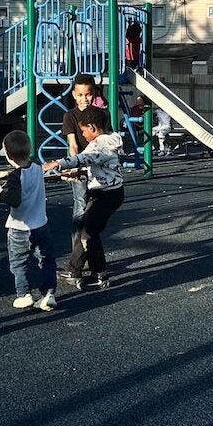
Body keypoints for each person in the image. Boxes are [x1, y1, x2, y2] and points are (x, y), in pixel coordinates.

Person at [44, 106, 125, 290]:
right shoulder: (108, 140)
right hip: (111, 193)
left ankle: (91, 273)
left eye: (83, 131)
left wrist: (57, 163)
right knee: (88, 231)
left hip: (105, 195)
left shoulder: (100, 144)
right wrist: (76, 173)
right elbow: (95, 165)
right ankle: (86, 272)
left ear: (92, 127)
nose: (82, 134)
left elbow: (83, 158)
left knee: (87, 232)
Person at [0, 130, 57, 311]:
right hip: (41, 224)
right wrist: (3, 174)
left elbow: (14, 200)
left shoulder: (15, 177)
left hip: (20, 227)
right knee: (46, 260)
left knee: (18, 262)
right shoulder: (37, 167)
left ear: (7, 155)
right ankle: (49, 293)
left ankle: (24, 294)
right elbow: (22, 170)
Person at [61, 74, 99, 266]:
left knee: (95, 214)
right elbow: (73, 145)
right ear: (74, 95)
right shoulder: (70, 116)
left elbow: (104, 140)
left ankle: (93, 258)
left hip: (98, 168)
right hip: (82, 168)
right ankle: (77, 260)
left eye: (88, 94)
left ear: (94, 94)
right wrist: (76, 165)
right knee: (79, 210)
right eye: (81, 95)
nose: (85, 98)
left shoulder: (101, 114)